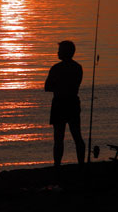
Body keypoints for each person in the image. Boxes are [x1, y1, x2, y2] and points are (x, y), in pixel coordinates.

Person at [45, 40, 85, 169]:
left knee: (59, 138)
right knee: (77, 136)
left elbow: (47, 87)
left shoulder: (56, 68)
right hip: (72, 103)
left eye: (60, 50)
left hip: (60, 104)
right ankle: (81, 165)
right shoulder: (78, 67)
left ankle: (57, 166)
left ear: (65, 52)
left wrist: (58, 86)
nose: (57, 52)